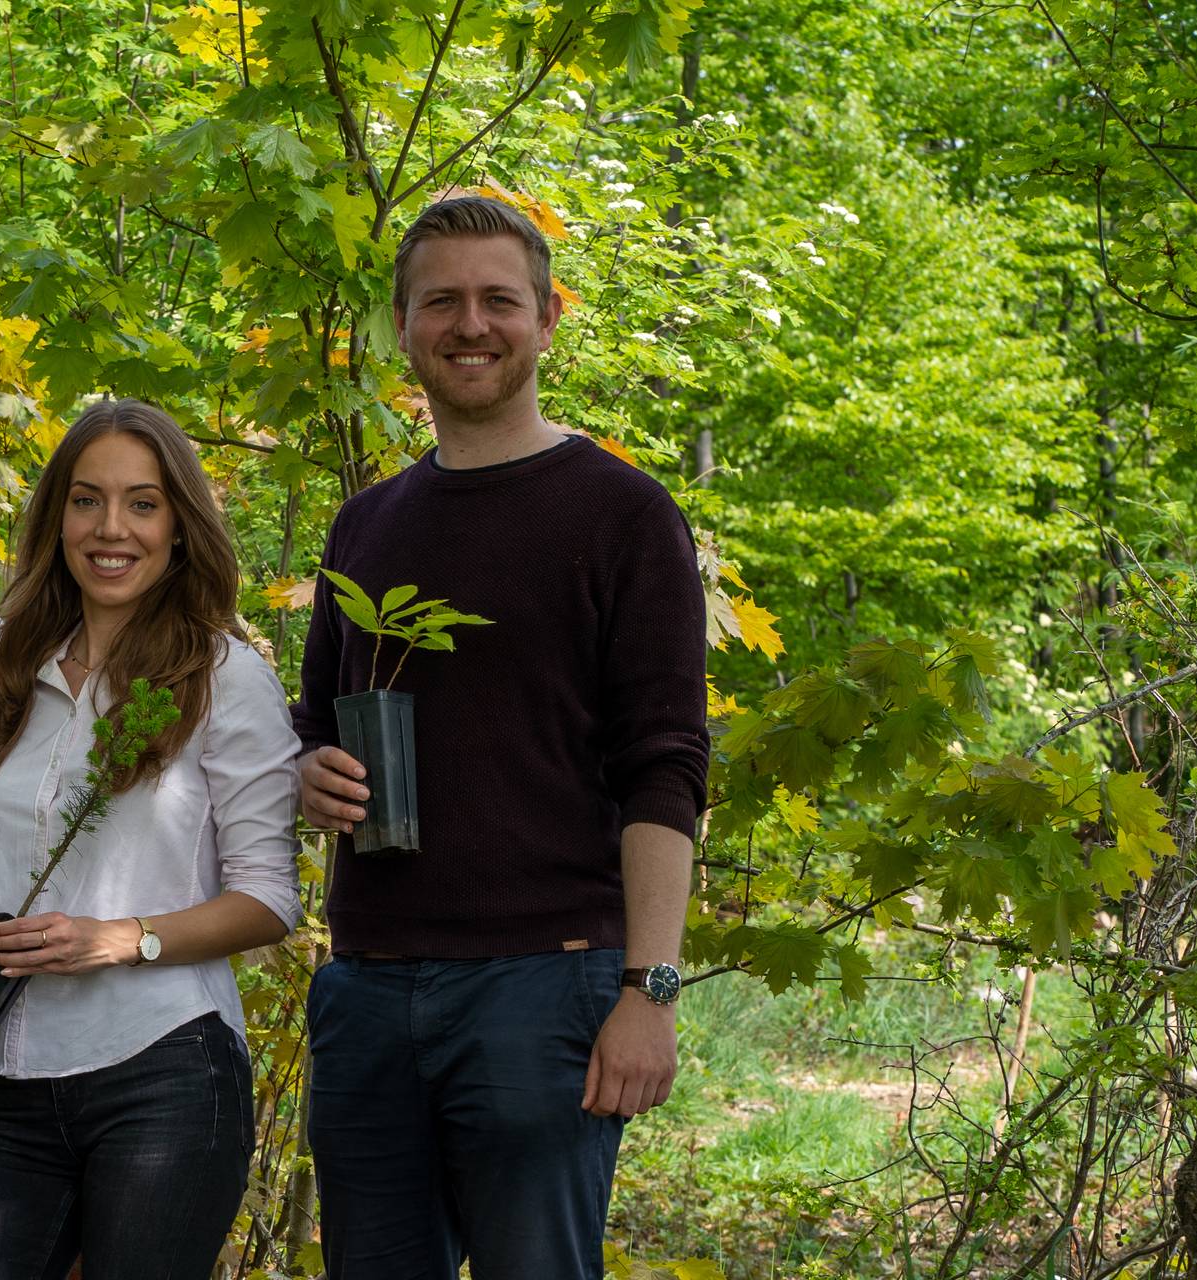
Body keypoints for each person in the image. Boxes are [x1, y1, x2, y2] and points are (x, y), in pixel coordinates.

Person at [291, 195, 710, 1278]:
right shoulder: (366, 523)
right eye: (441, 301)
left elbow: (665, 767)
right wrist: (310, 772)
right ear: (401, 325)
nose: (469, 324)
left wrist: (649, 991)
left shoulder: (623, 515)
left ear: (547, 318)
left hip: (545, 988)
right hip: (369, 988)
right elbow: (313, 722)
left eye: (498, 300)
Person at [0, 399, 302, 1280]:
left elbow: (269, 899)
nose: (110, 528)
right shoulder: (14, 667)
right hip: (14, 1082)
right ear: (58, 520)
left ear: (179, 527)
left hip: (164, 1071)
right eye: (87, 501)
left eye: (142, 503)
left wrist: (121, 939)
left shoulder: (225, 677)